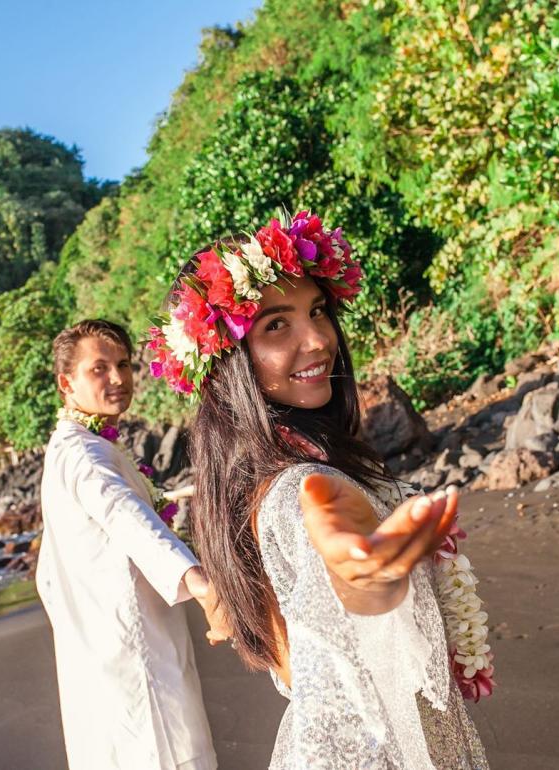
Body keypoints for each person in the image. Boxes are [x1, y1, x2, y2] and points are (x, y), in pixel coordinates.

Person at [147, 212, 494, 769]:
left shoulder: (265, 473)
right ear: (227, 360)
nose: (318, 340)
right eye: (276, 325)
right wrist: (365, 576)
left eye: (317, 312)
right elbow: (326, 530)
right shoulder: (296, 485)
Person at [36, 319, 222, 770]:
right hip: (130, 653)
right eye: (98, 369)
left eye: (123, 364)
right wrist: (200, 584)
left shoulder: (80, 445)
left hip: (110, 645)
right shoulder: (83, 455)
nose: (118, 378)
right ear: (67, 382)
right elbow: (127, 516)